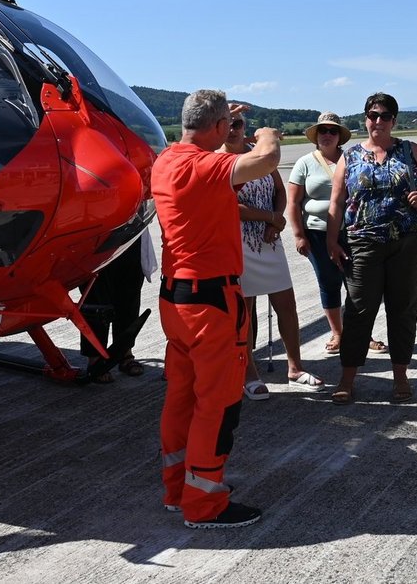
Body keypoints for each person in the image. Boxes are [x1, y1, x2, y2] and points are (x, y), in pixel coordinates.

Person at [152, 91, 279, 529]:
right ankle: (204, 503)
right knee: (218, 403)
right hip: (211, 303)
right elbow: (266, 160)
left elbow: (220, 174)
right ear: (220, 127)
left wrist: (226, 129)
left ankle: (177, 490)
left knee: (181, 397)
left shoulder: (168, 161)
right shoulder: (205, 166)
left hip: (176, 299)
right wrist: (268, 134)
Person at [327, 92, 417, 405]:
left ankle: (400, 375)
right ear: (365, 118)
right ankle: (347, 378)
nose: (378, 121)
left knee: (403, 310)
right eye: (373, 115)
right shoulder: (350, 156)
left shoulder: (410, 150)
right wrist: (331, 240)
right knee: (358, 310)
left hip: (408, 243)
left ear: (394, 120)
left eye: (385, 116)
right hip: (362, 244)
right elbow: (337, 202)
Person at [223, 112, 322, 398]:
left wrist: (276, 219)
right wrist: (270, 217)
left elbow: (279, 189)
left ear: (245, 127)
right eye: (226, 123)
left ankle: (295, 368)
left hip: (269, 239)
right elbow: (228, 205)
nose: (232, 129)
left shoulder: (258, 153)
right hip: (238, 243)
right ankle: (248, 373)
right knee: (245, 312)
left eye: (237, 123)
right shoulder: (219, 160)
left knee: (286, 304)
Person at [287, 112, 384, 355]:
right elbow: (293, 202)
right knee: (329, 282)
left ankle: (363, 334)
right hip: (317, 234)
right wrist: (298, 235)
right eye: (323, 130)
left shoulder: (353, 159)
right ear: (316, 135)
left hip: (352, 231)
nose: (327, 135)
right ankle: (338, 333)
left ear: (340, 136)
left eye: (333, 131)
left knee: (358, 285)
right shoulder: (304, 163)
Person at [79, 242, 147, 383]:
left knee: (130, 295)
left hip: (130, 234)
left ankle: (125, 352)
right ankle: (95, 358)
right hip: (95, 239)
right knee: (95, 295)